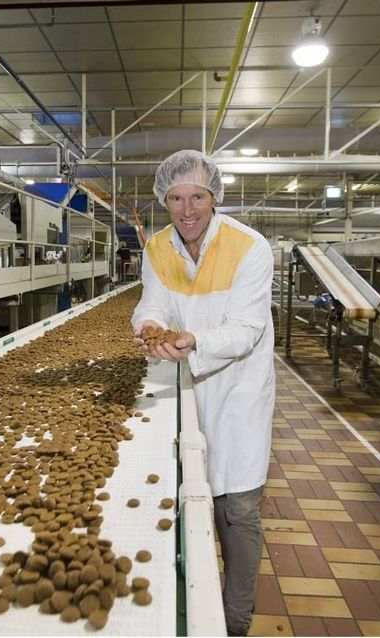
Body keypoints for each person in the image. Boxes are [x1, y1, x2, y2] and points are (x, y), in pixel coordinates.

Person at [131, 149, 275, 636]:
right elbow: (150, 305)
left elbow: (246, 329)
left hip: (238, 393)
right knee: (195, 498)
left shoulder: (249, 247)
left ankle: (234, 624)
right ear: (164, 200)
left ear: (214, 197)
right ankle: (186, 603)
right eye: (175, 198)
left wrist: (194, 341)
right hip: (186, 385)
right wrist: (148, 325)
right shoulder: (156, 248)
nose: (187, 209)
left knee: (236, 507)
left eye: (197, 196)